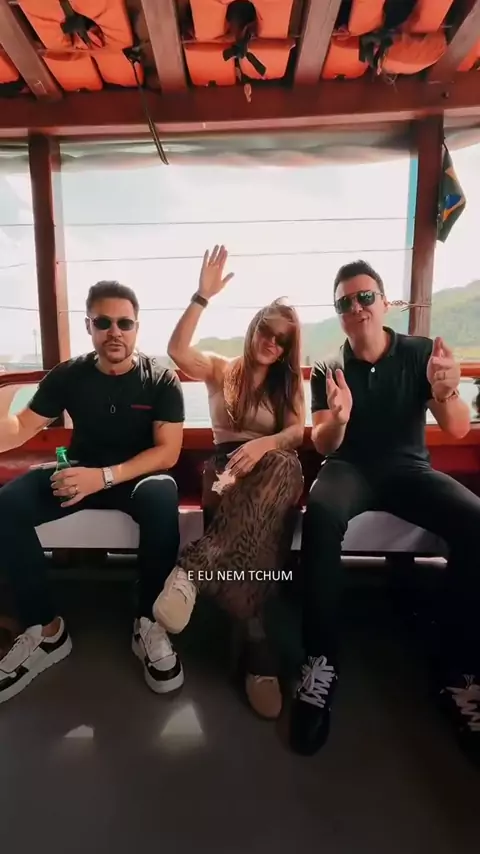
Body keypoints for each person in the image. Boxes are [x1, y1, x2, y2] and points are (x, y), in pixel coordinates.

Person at [289, 259, 480, 762]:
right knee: (321, 515)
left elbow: (458, 428)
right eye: (345, 302)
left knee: (476, 521)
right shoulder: (329, 367)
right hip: (348, 468)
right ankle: (320, 661)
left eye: (365, 297)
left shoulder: (420, 353)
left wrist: (446, 390)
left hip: (408, 469)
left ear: (384, 301)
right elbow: (324, 443)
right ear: (339, 313)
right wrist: (340, 418)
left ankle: (457, 669)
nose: (356, 307)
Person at [0, 281, 185, 704]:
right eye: (103, 322)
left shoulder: (160, 379)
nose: (114, 332)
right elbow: (20, 428)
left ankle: (148, 623)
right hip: (79, 473)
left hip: (133, 477)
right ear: (89, 326)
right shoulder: (69, 375)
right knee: (8, 504)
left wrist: (103, 477)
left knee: (162, 496)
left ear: (136, 327)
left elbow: (168, 452)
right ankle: (46, 630)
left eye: (124, 323)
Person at [153, 245, 305, 719]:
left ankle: (195, 569)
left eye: (282, 340)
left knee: (284, 466)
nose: (272, 343)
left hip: (271, 476)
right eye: (267, 331)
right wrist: (202, 296)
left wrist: (263, 446)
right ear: (254, 326)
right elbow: (177, 352)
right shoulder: (222, 369)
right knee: (262, 540)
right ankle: (258, 654)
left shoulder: (287, 385)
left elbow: (296, 433)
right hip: (225, 475)